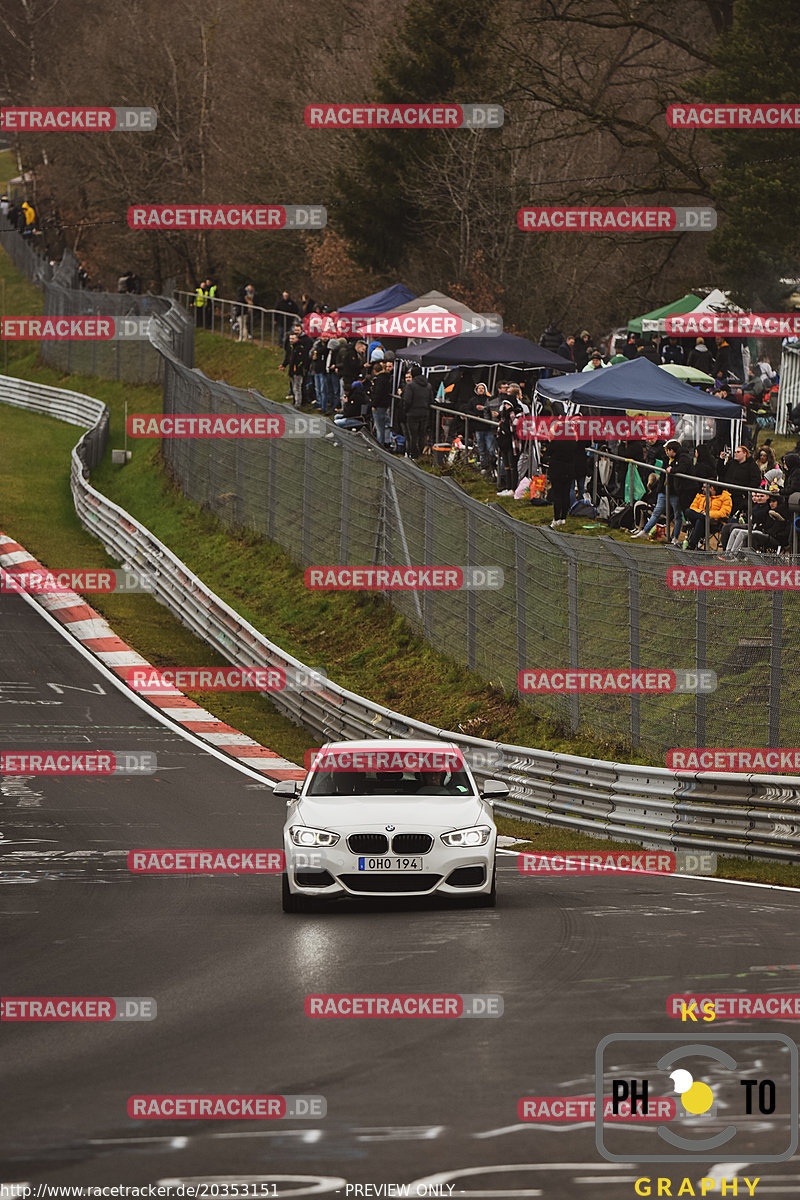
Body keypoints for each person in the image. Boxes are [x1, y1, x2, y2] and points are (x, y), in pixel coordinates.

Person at [633, 439, 691, 541]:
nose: (666, 452)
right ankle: (645, 531)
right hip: (664, 491)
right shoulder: (666, 459)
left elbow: (683, 469)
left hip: (675, 492)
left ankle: (674, 538)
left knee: (677, 516)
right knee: (656, 513)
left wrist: (672, 470)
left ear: (672, 450)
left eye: (668, 450)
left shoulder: (682, 459)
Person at [682, 484, 733, 550]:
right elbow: (693, 507)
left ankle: (692, 545)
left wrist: (708, 514)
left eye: (704, 487)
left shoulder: (725, 497)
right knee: (688, 511)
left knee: (700, 520)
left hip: (714, 522)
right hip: (700, 518)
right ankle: (692, 545)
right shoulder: (700, 495)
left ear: (711, 488)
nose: (702, 489)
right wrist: (701, 513)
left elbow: (724, 513)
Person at [402, 365, 432, 458]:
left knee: (413, 436)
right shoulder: (428, 385)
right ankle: (421, 454)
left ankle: (413, 455)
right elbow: (431, 400)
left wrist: (405, 410)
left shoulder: (411, 385)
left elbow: (407, 400)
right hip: (424, 413)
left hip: (412, 413)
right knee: (422, 435)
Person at [720, 444, 761, 513]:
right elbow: (721, 472)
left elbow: (756, 480)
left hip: (740, 496)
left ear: (745, 453)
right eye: (735, 452)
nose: (736, 454)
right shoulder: (732, 463)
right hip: (727, 494)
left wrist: (745, 492)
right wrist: (721, 460)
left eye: (738, 452)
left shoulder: (752, 465)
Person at [546, 435, 575, 527]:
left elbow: (548, 452)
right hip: (569, 470)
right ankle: (563, 517)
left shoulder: (556, 442)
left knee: (557, 494)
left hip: (557, 470)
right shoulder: (573, 442)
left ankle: (556, 518)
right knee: (565, 494)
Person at [495, 400, 518, 495]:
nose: (506, 406)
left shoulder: (512, 414)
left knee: (512, 466)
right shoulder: (502, 415)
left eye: (508, 404)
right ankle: (508, 487)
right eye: (505, 404)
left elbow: (512, 429)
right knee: (506, 466)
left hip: (511, 444)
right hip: (503, 443)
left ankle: (513, 488)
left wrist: (505, 429)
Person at [369, 359, 393, 448]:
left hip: (378, 405)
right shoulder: (387, 378)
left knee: (379, 427)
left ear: (375, 371)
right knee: (385, 425)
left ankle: (380, 445)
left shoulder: (379, 380)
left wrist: (373, 404)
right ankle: (386, 442)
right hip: (385, 405)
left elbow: (378, 393)